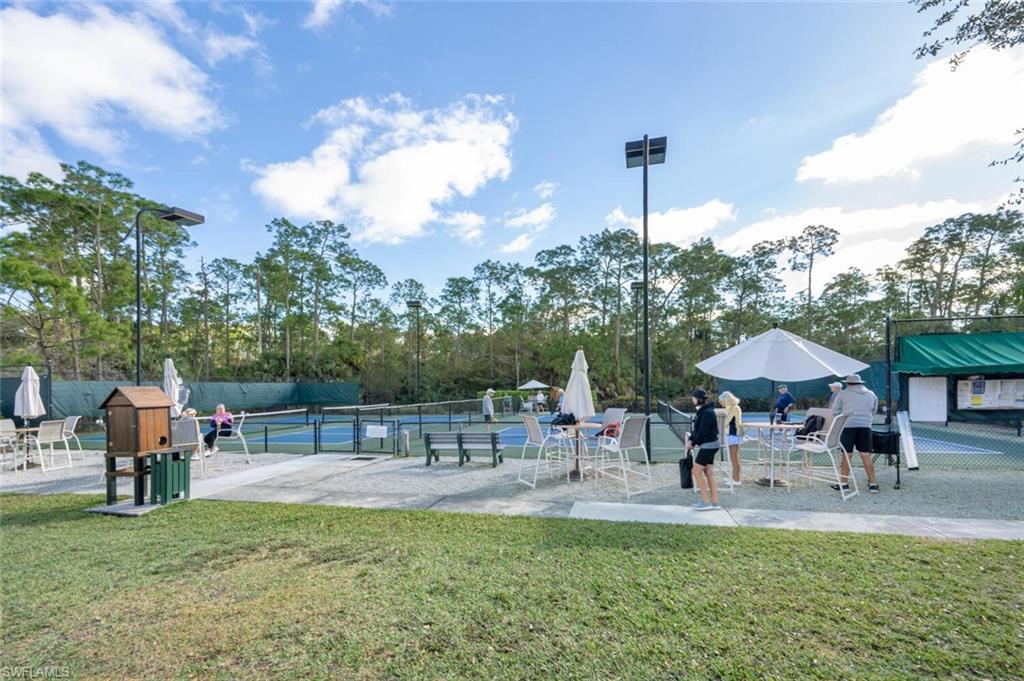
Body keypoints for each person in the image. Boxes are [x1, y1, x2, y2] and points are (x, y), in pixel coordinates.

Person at [831, 373, 880, 493]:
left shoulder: (843, 393)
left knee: (847, 455)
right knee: (865, 455)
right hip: (865, 426)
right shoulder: (871, 394)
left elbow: (835, 411)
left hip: (848, 426)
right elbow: (874, 410)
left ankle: (844, 484)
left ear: (847, 383)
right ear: (860, 383)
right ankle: (873, 484)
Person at [687, 388, 721, 510]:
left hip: (709, 445)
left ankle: (706, 502)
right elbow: (697, 430)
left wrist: (693, 442)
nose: (692, 400)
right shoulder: (704, 411)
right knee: (708, 472)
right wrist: (691, 439)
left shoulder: (706, 413)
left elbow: (702, 432)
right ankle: (715, 502)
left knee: (695, 471)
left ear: (698, 399)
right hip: (711, 444)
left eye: (693, 398)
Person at [719, 391, 744, 485]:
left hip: (734, 435)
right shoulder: (730, 408)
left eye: (721, 401)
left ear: (727, 400)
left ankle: (737, 480)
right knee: (732, 458)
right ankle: (734, 478)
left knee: (734, 458)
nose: (721, 403)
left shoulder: (735, 408)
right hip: (731, 435)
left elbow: (726, 422)